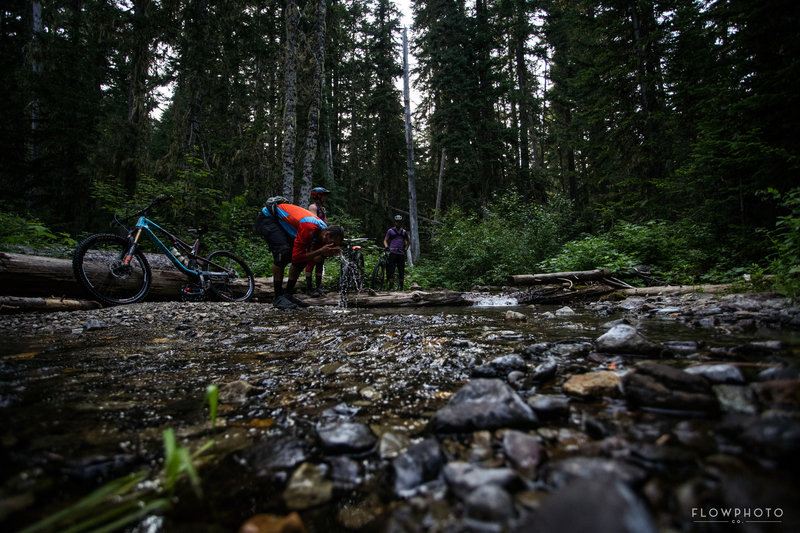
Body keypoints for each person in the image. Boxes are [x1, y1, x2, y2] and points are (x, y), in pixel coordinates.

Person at [255, 199, 343, 309]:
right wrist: (321, 251)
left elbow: (311, 260)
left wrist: (325, 254)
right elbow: (296, 257)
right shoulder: (310, 228)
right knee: (283, 253)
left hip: (283, 224)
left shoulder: (320, 234)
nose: (332, 245)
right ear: (327, 235)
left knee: (302, 261)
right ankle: (278, 297)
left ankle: (288, 294)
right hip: (268, 219)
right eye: (333, 243)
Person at [305, 187, 330, 297]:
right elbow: (313, 222)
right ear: (318, 196)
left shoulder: (322, 208)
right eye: (324, 195)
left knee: (320, 262)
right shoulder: (313, 207)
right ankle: (309, 288)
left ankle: (319, 287)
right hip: (314, 239)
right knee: (311, 262)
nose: (326, 197)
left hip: (322, 239)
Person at [384, 214, 410, 291]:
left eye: (399, 222)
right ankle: (391, 287)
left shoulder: (404, 232)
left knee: (401, 270)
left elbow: (408, 241)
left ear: (401, 223)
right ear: (395, 222)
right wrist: (386, 246)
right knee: (391, 270)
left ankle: (401, 287)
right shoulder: (390, 231)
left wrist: (406, 249)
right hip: (392, 252)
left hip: (401, 253)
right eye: (397, 222)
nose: (398, 223)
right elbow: (385, 240)